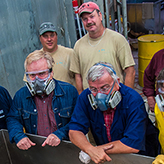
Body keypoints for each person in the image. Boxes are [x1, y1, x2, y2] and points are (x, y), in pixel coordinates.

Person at [69, 62, 160, 164]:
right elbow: (74, 131)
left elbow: (132, 144)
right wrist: (89, 149)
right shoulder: (85, 97)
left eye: (105, 88)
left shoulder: (133, 100)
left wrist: (96, 150)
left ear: (117, 82)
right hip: (110, 157)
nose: (99, 95)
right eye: (94, 89)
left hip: (140, 157)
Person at [7, 50, 78, 150]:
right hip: (38, 151)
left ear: (51, 73)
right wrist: (18, 136)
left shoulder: (69, 92)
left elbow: (79, 121)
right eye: (32, 75)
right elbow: (12, 118)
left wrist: (61, 133)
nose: (37, 80)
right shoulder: (21, 95)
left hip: (66, 149)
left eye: (41, 74)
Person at [70, 1, 135, 94]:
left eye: (92, 16)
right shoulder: (78, 45)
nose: (89, 21)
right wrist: (81, 98)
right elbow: (78, 76)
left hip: (114, 97)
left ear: (100, 16)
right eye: (85, 19)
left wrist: (127, 97)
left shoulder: (117, 40)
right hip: (91, 99)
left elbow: (130, 71)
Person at [24, 22, 75, 86]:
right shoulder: (34, 59)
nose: (49, 39)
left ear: (56, 36)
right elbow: (28, 81)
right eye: (45, 36)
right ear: (40, 38)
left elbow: (78, 77)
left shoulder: (70, 53)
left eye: (52, 35)